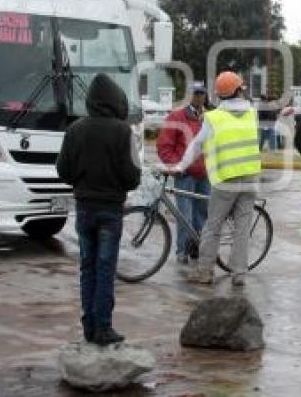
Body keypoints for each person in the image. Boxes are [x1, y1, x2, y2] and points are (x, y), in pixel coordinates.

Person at [56, 74, 141, 345]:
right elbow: (133, 176)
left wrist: (82, 182)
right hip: (110, 211)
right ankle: (103, 327)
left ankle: (89, 327)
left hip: (84, 210)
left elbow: (62, 170)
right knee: (105, 269)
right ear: (116, 101)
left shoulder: (75, 129)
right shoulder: (123, 131)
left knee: (87, 268)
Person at [169, 71, 261, 286]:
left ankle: (204, 272)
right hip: (250, 178)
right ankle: (239, 274)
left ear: (220, 94)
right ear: (238, 91)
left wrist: (181, 165)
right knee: (242, 228)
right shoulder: (251, 113)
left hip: (226, 179)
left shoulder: (214, 117)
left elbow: (197, 144)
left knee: (213, 226)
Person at [156, 82, 210, 264]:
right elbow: (164, 145)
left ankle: (198, 248)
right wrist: (174, 166)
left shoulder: (209, 117)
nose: (199, 97)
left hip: (205, 174)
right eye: (196, 94)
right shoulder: (177, 117)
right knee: (184, 216)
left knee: (201, 215)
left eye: (201, 94)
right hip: (185, 175)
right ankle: (182, 251)